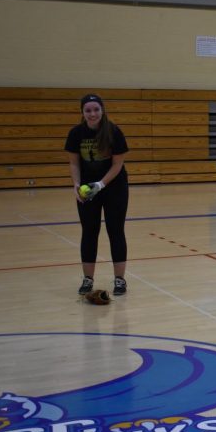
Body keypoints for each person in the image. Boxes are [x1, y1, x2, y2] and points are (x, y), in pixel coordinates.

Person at [65, 93, 130, 296]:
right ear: (82, 113)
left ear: (102, 110)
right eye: (88, 110)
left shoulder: (113, 132)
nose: (92, 114)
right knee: (89, 231)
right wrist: (76, 185)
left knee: (115, 230)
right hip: (87, 189)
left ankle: (119, 280)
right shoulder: (76, 133)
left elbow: (118, 164)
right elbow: (74, 162)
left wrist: (100, 184)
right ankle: (88, 279)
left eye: (96, 109)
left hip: (114, 186)